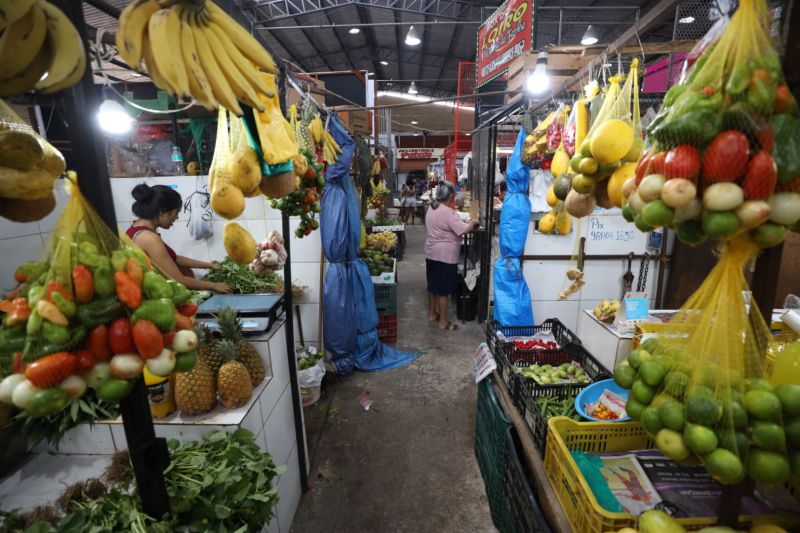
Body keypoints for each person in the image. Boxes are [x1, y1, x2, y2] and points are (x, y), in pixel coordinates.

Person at [126, 184, 232, 293]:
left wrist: (211, 266)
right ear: (162, 212)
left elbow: (173, 258)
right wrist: (214, 286)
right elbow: (179, 280)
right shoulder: (149, 239)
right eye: (176, 213)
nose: (176, 218)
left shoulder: (137, 229)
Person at [425, 181, 479, 331]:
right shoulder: (447, 212)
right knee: (443, 290)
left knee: (433, 286)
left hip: (431, 253)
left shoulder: (431, 208)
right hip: (445, 256)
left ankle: (432, 314)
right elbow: (462, 230)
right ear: (450, 196)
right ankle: (443, 322)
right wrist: (473, 222)